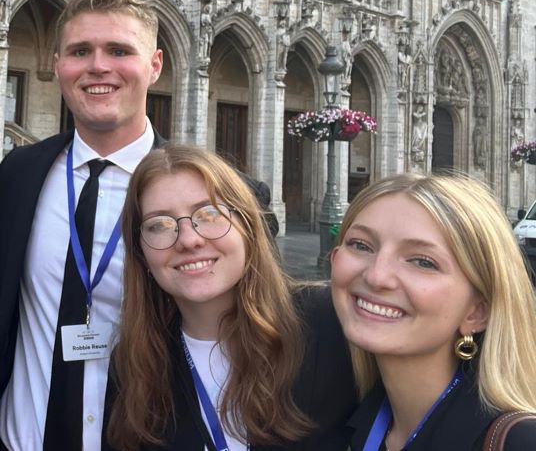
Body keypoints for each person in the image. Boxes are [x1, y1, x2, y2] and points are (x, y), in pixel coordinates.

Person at [0, 0, 164, 451]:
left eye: (119, 50)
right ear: (58, 64)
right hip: (14, 439)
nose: (98, 66)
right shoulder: (20, 173)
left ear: (154, 65)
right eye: (80, 51)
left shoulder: (195, 190)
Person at [105, 145, 356, 451]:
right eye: (160, 225)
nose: (188, 240)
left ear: (248, 227)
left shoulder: (330, 322)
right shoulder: (134, 367)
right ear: (141, 251)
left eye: (209, 214)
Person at [331, 173, 536, 450]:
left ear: (477, 312)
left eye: (423, 262)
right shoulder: (348, 416)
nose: (377, 276)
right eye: (361, 245)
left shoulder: (518, 442)